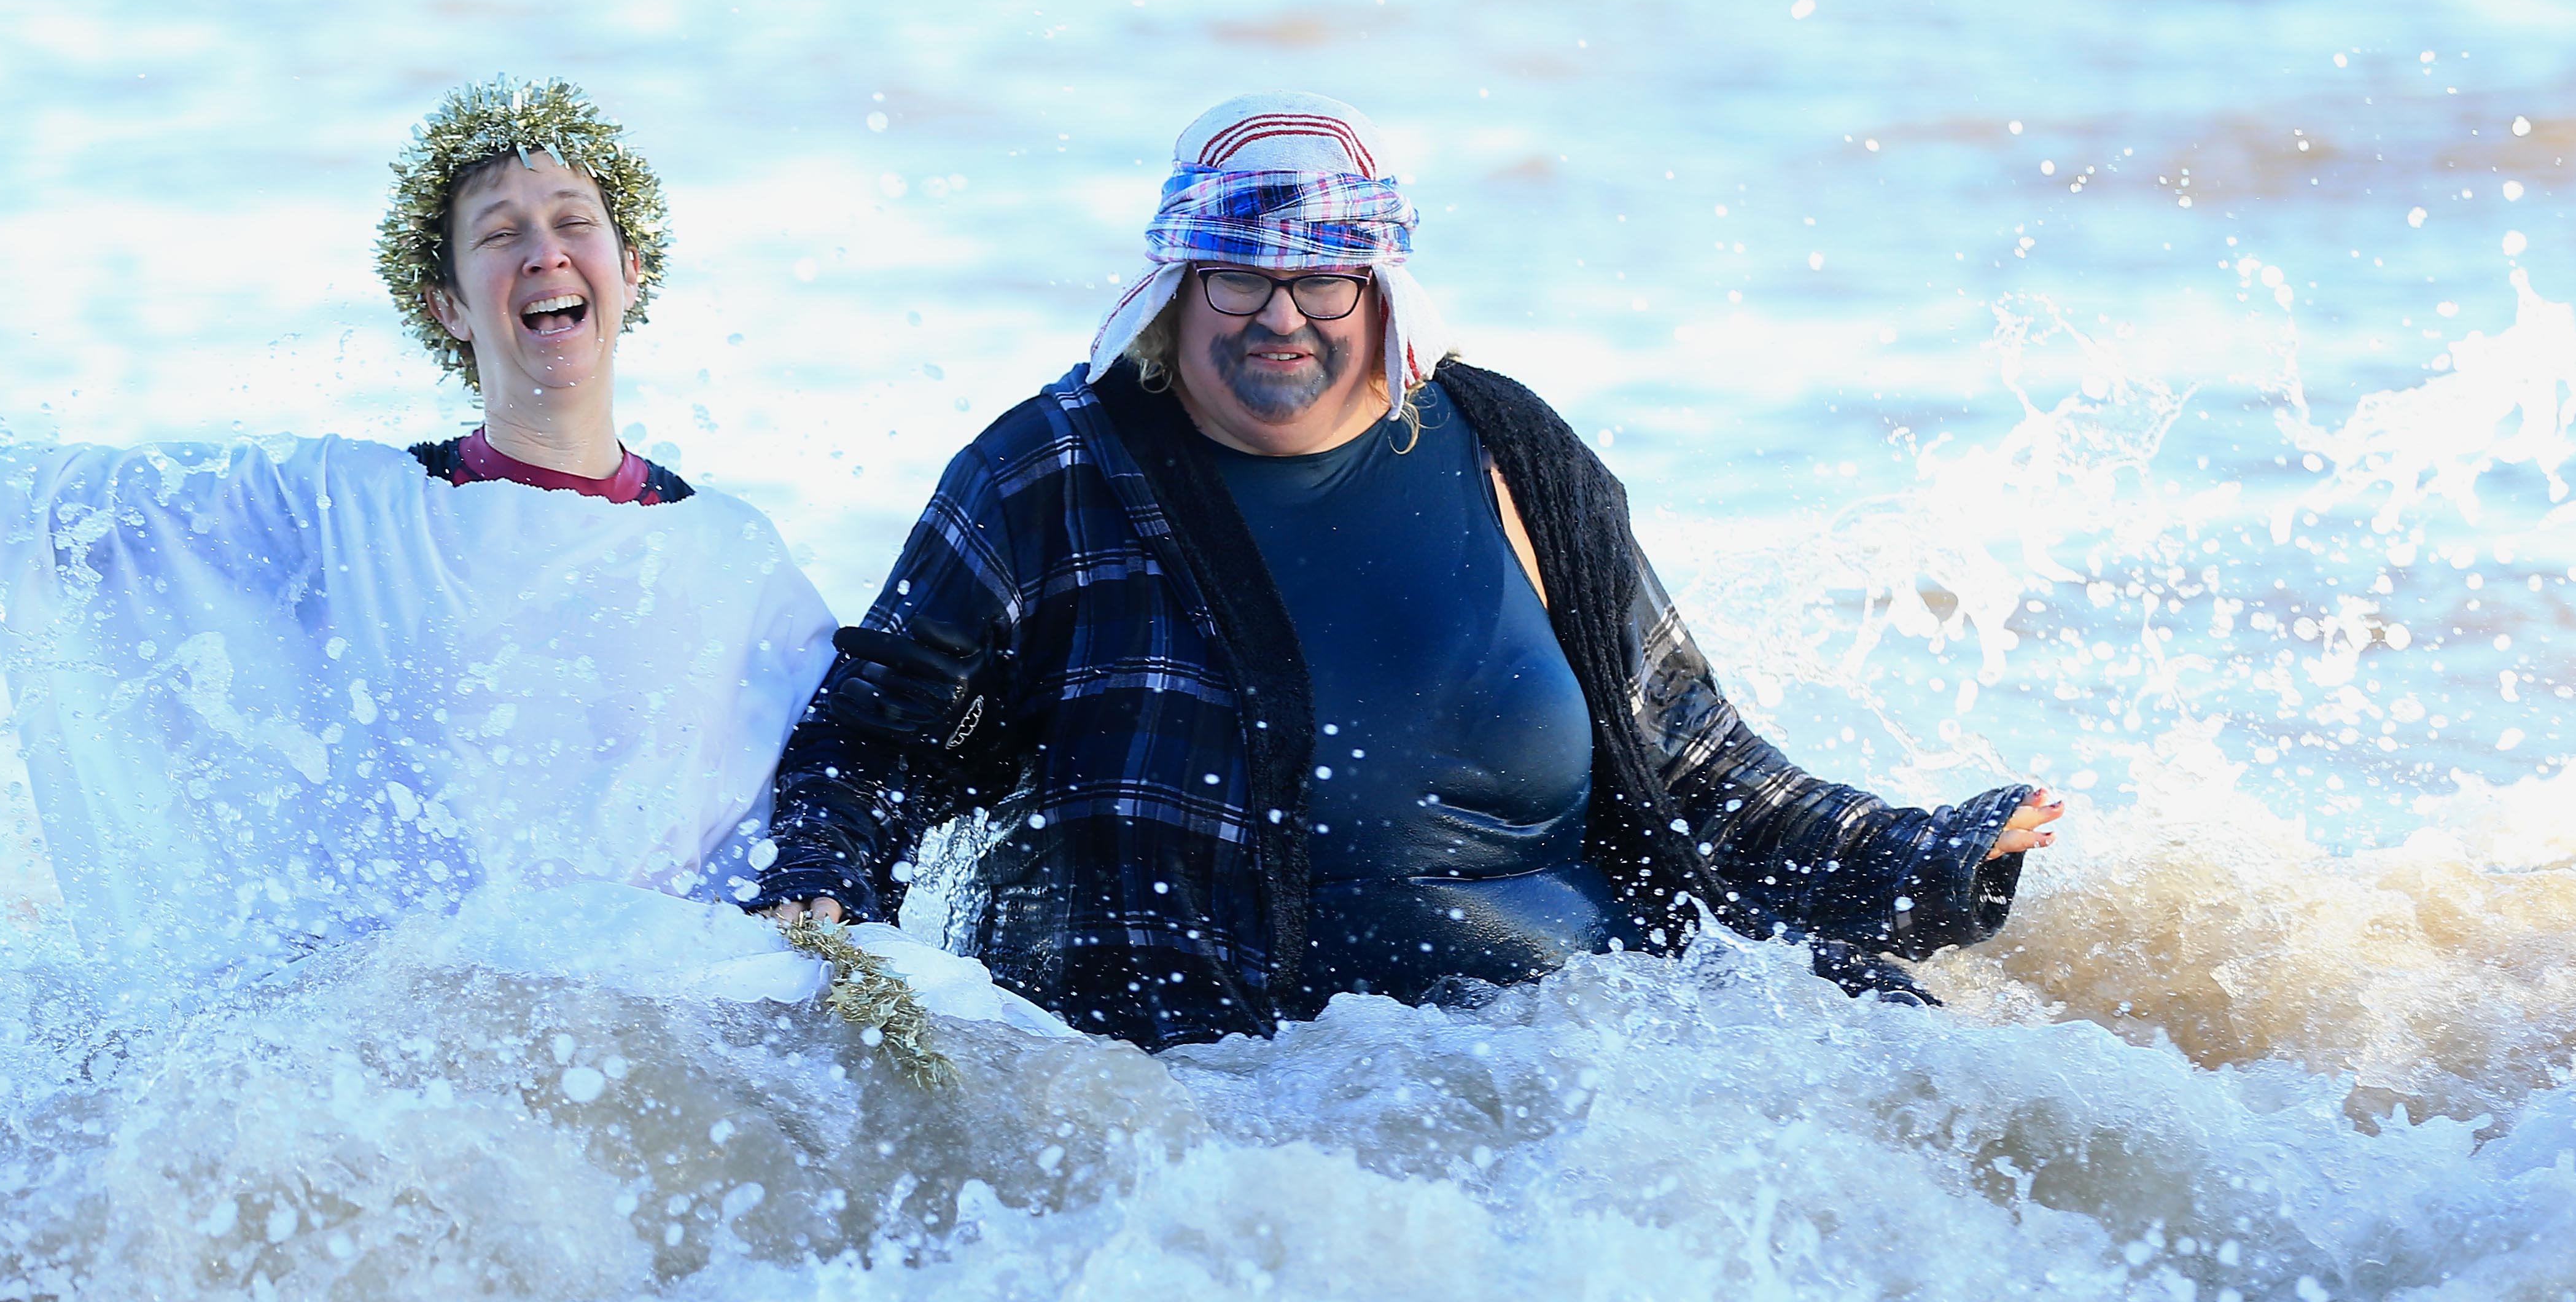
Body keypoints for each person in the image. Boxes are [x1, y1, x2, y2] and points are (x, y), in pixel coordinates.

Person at [754, 92, 2061, 1050]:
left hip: (1591, 1066)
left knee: (1962, 1093)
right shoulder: (1048, 472)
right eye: (1238, 276)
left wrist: (1926, 851)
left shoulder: (1513, 451)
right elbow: (880, 740)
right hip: (1218, 1089)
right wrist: (823, 892)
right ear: (1174, 286)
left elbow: (1699, 763)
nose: (1281, 314)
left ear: (1381, 286)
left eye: (1325, 279)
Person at [0, 77, 834, 996]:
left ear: (629, 271)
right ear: (445, 301)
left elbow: (861, 789)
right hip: (413, 1051)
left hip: (644, 1060)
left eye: (572, 224)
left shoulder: (737, 561)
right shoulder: (346, 509)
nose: (544, 251)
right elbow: (26, 502)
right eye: (500, 235)